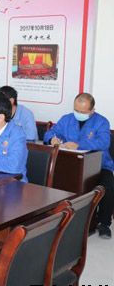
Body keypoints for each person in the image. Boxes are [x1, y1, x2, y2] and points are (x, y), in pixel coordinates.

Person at [44, 93, 112, 239]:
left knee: (108, 185)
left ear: (92, 110)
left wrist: (79, 145)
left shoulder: (101, 122)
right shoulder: (66, 119)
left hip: (99, 166)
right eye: (76, 110)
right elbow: (49, 133)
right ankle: (59, 218)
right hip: (71, 164)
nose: (78, 114)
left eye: (82, 112)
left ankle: (104, 223)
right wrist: (52, 139)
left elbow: (104, 142)